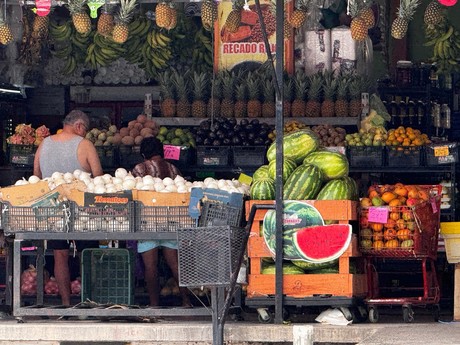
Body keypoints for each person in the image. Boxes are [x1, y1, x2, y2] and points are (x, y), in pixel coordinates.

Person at [33, 109, 103, 305]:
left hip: (53, 209)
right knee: (88, 255)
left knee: (60, 255)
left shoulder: (43, 145)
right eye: (85, 129)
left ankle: (66, 303)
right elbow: (99, 178)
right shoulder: (85, 145)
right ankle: (90, 301)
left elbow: (36, 176)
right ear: (79, 126)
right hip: (83, 211)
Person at [132, 136, 192, 307]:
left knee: (150, 267)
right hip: (171, 221)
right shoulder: (173, 168)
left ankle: (154, 305)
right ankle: (186, 301)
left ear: (144, 154)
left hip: (148, 222)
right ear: (162, 151)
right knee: (175, 265)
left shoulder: (139, 168)